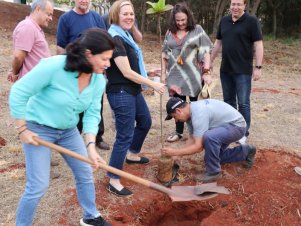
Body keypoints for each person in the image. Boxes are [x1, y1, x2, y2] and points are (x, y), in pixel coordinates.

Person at [9, 28, 114, 226]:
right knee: (38, 186)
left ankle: (90, 217)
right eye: (105, 59)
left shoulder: (99, 79)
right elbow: (18, 92)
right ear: (88, 54)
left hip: (68, 130)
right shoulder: (54, 67)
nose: (108, 64)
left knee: (85, 172)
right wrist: (23, 129)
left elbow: (92, 113)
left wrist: (90, 147)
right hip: (38, 128)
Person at [105, 0, 166, 197]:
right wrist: (152, 83)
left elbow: (130, 66)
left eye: (132, 14)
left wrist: (148, 72)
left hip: (131, 90)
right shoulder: (115, 37)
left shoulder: (126, 36)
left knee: (145, 122)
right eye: (125, 14)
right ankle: (113, 179)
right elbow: (126, 72)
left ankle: (132, 154)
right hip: (121, 92)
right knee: (124, 135)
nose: (130, 17)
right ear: (115, 15)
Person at [161, 97, 257, 182]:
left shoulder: (198, 113)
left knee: (209, 137)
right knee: (215, 157)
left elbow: (198, 147)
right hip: (225, 127)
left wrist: (175, 152)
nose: (176, 121)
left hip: (237, 127)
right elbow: (192, 139)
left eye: (174, 117)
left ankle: (214, 172)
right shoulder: (191, 113)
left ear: (178, 110)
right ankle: (246, 151)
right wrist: (177, 156)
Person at [56, 0, 110, 150]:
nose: (84, 1)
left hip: (94, 72)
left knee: (96, 105)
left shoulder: (97, 18)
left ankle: (97, 137)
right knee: (76, 106)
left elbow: (105, 43)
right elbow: (60, 47)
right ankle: (74, 136)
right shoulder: (65, 19)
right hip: (74, 71)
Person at [210, 0, 264, 144]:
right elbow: (218, 43)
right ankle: (231, 128)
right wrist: (209, 62)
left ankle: (243, 132)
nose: (235, 7)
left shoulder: (252, 21)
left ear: (244, 5)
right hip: (225, 70)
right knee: (228, 102)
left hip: (243, 71)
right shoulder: (224, 21)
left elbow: (258, 44)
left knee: (244, 103)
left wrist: (258, 67)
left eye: (239, 4)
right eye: (233, 4)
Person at [162, 2, 213, 143]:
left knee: (196, 105)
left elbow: (206, 52)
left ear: (188, 17)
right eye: (177, 20)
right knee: (178, 105)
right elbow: (164, 54)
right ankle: (178, 132)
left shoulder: (197, 30)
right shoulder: (169, 32)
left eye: (183, 20)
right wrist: (162, 74)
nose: (180, 23)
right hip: (174, 75)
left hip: (193, 75)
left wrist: (207, 71)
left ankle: (198, 133)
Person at [7, 0, 53, 82]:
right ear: (38, 9)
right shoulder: (28, 27)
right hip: (31, 85)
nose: (51, 18)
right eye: (48, 14)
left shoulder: (34, 28)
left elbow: (27, 57)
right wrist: (15, 73)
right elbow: (18, 57)